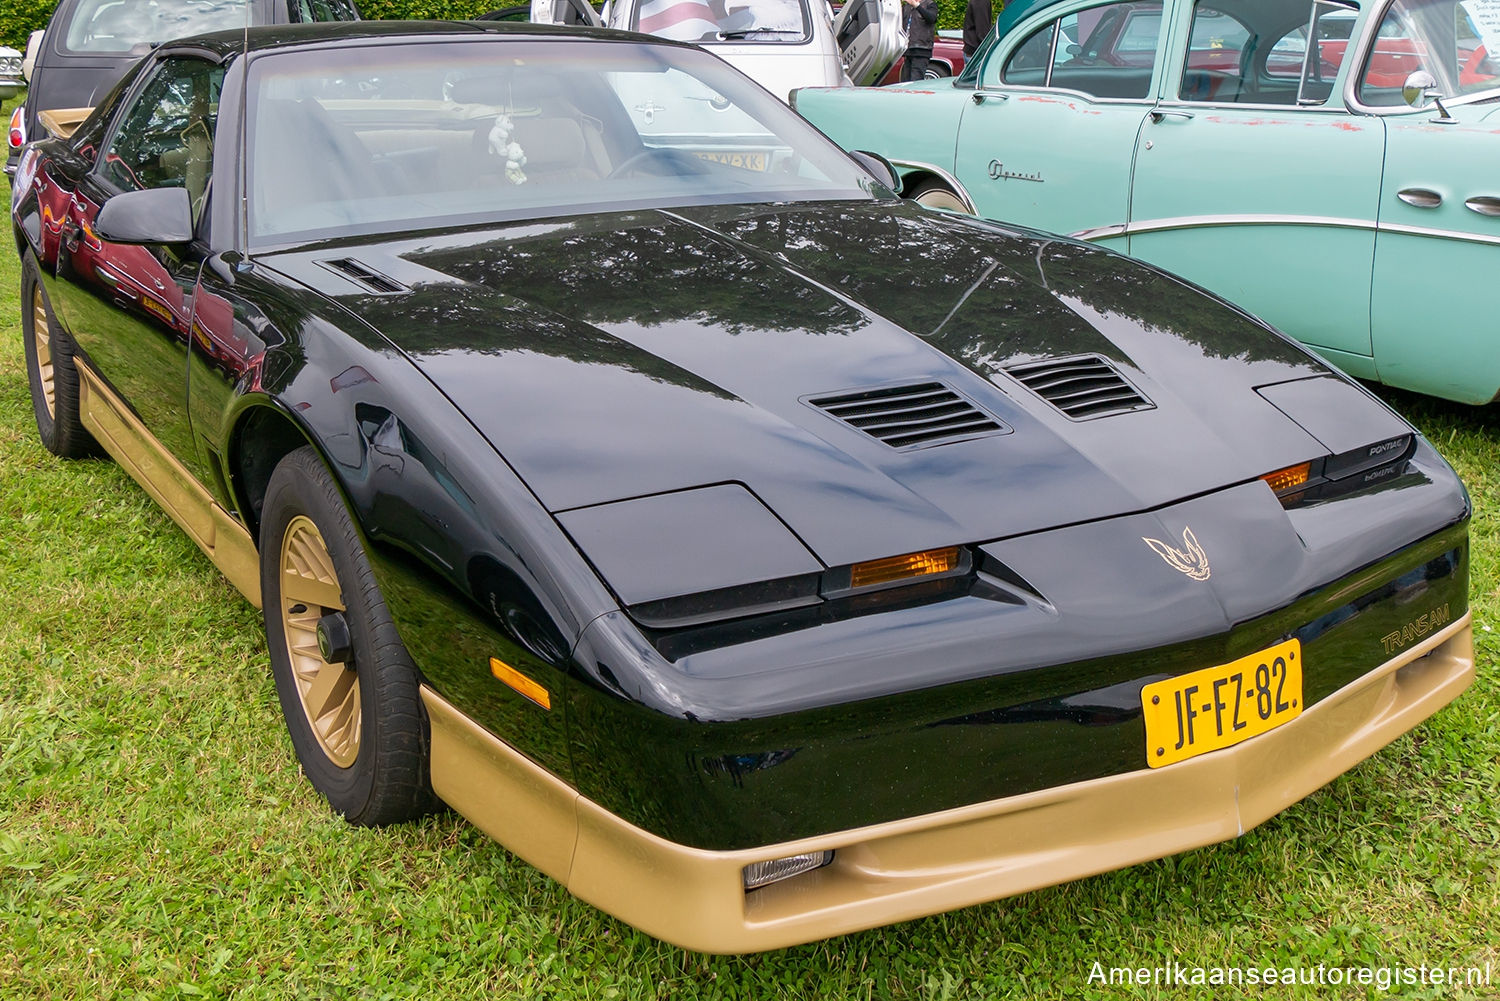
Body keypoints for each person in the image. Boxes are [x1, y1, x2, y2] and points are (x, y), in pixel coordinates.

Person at [900, 0, 939, 82]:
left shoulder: (930, 4)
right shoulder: (906, 7)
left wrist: (917, 6)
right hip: (908, 49)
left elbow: (932, 18)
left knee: (916, 80)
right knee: (905, 81)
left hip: (922, 49)